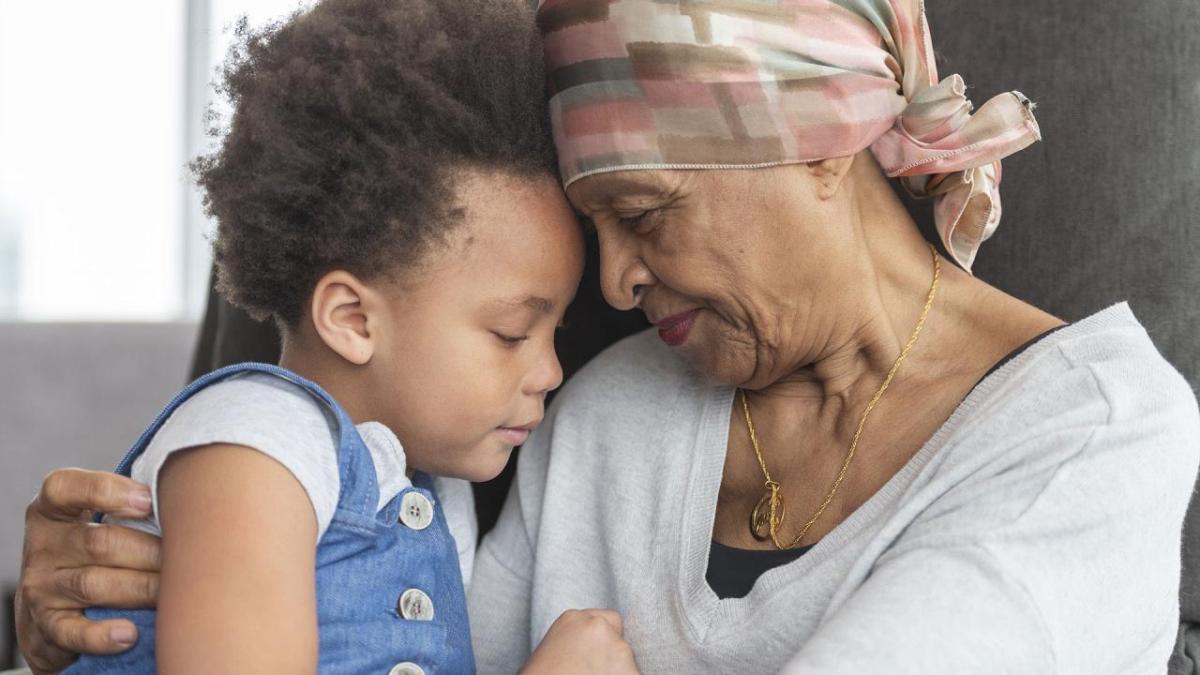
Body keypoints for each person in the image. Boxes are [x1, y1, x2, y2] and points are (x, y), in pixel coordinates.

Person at [16, 0, 1200, 672]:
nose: (619, 289)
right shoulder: (618, 405)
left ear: (822, 148)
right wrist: (130, 598)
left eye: (643, 216)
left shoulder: (1094, 432)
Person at [41, 0, 638, 673]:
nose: (551, 372)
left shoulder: (426, 490)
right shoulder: (255, 453)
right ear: (352, 318)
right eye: (510, 333)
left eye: (554, 333)